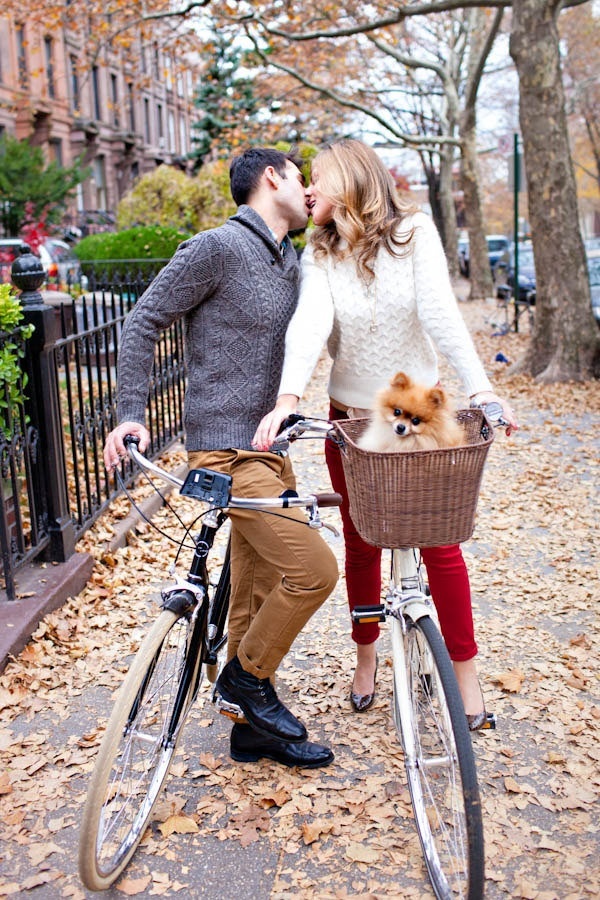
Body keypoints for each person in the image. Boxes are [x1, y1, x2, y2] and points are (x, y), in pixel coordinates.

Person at [253, 139, 518, 730]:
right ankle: (367, 655)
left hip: (416, 416)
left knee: (441, 545)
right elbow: (310, 324)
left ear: (351, 179)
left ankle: (465, 676)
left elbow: (441, 315)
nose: (309, 189)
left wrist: (481, 390)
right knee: (361, 542)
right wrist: (289, 399)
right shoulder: (319, 251)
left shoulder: (414, 234)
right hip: (351, 421)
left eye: (318, 177)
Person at [103, 147, 339, 768]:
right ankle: (243, 681)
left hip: (271, 449)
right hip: (226, 452)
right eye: (300, 177)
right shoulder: (217, 247)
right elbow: (143, 320)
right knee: (314, 571)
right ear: (271, 178)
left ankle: (250, 730)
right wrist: (130, 411)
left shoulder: (290, 258)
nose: (307, 190)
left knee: (255, 592)